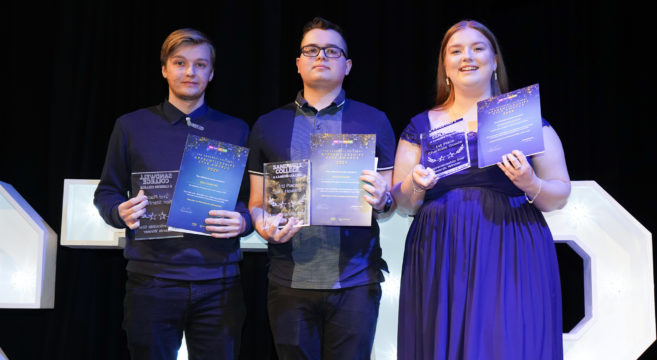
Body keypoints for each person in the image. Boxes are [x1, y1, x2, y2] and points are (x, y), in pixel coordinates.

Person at [393, 20, 570, 360]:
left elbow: (560, 193)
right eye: (455, 51)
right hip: (440, 250)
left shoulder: (522, 118)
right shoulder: (420, 125)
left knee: (507, 341)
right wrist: (415, 184)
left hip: (512, 247)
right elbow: (401, 202)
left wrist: (529, 182)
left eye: (477, 48)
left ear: (494, 61)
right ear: (445, 67)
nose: (466, 57)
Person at [94, 28, 251, 360]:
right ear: (165, 68)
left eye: (200, 64)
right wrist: (119, 211)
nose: (190, 72)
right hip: (151, 281)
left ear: (211, 73)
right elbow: (107, 191)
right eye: (180, 63)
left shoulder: (236, 129)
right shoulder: (131, 125)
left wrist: (244, 221)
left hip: (219, 283)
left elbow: (251, 201)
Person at [247, 17, 397, 359]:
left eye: (332, 50)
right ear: (298, 63)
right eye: (311, 49)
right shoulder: (267, 126)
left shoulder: (374, 120)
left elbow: (388, 202)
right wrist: (263, 224)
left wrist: (383, 199)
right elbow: (257, 203)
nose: (321, 56)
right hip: (288, 281)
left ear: (347, 65)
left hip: (356, 281)